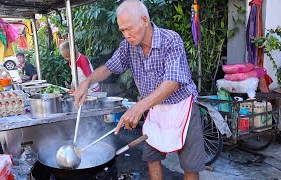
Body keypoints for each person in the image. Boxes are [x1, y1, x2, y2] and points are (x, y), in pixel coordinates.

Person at [73, 0, 205, 179]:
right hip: (154, 108)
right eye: (122, 30)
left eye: (129, 28)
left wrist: (138, 107)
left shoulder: (170, 39)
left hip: (183, 107)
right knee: (151, 158)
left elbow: (173, 82)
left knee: (190, 166)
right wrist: (87, 82)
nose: (126, 35)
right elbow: (109, 67)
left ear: (144, 20)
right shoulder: (128, 46)